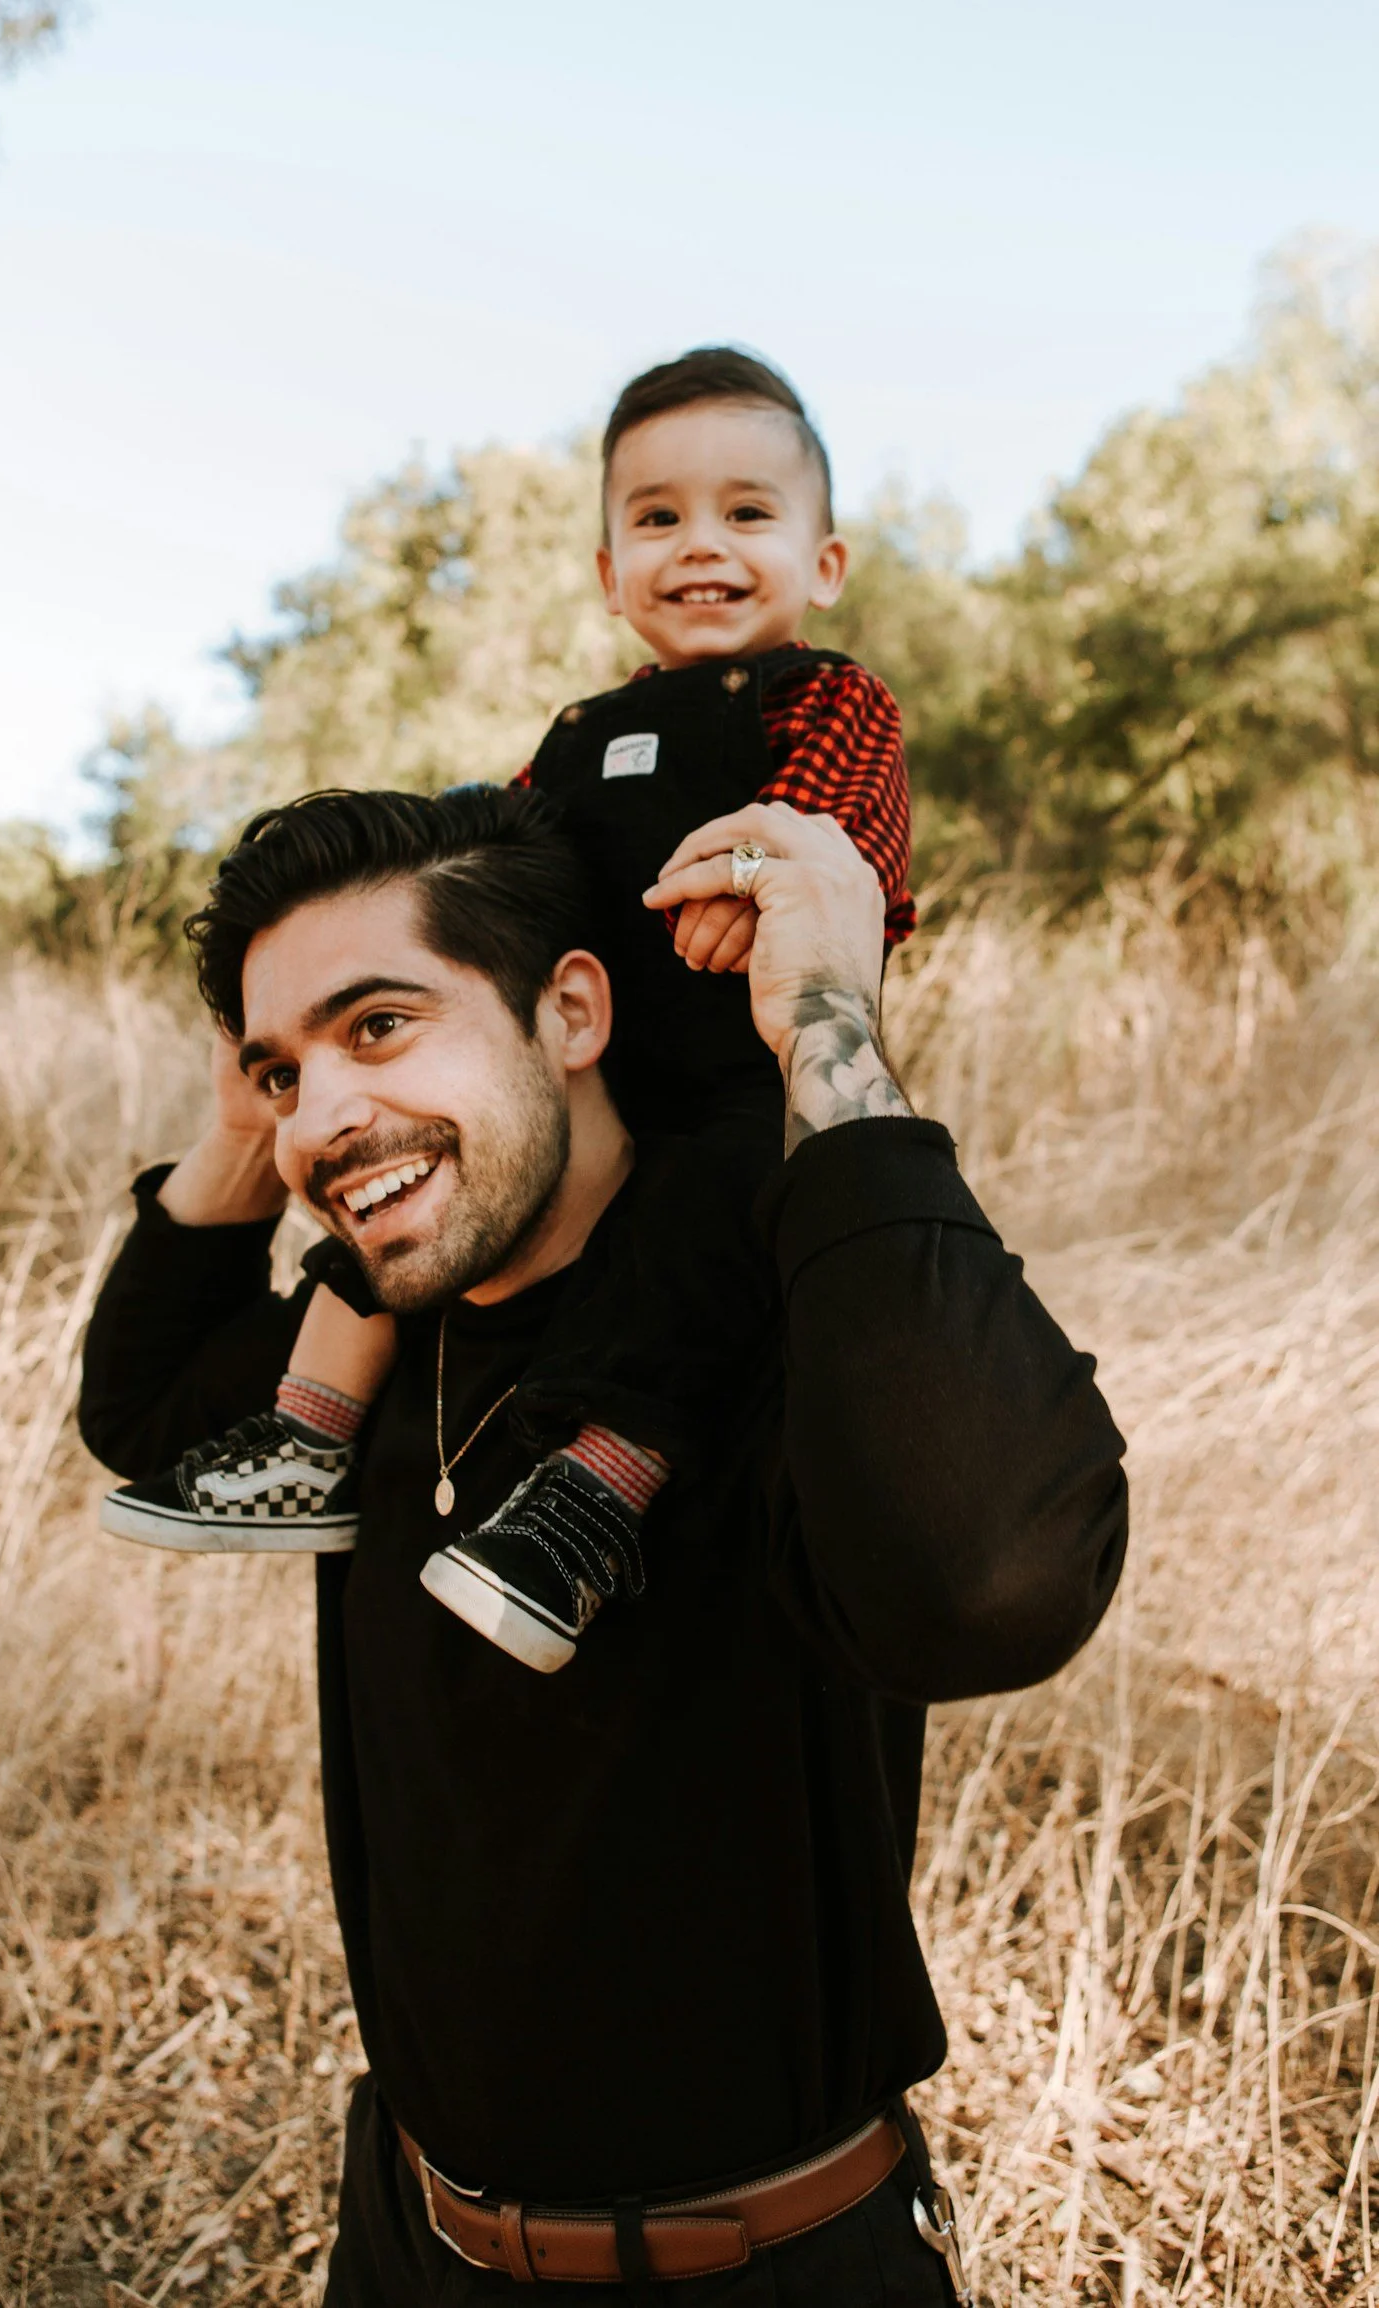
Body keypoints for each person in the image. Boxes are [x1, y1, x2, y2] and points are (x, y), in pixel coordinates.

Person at [80, 782, 1128, 2306]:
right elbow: (136, 1413)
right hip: (408, 2239)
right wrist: (260, 1105)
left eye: (380, 1026)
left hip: (766, 2260)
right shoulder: (374, 1347)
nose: (324, 1113)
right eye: (281, 1069)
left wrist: (825, 1017)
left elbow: (988, 1588)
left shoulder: (766, 1337)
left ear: (572, 1010)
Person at [99, 347, 920, 1678]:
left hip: (729, 1074)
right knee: (376, 1208)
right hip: (569, 1082)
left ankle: (593, 1493)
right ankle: (310, 1437)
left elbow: (837, 848)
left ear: (823, 565)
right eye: (655, 517)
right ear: (607, 575)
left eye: (746, 513)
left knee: (700, 1247)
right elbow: (498, 863)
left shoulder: (824, 702)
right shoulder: (577, 736)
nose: (698, 545)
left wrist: (762, 874)